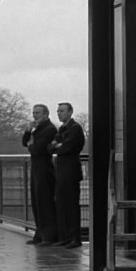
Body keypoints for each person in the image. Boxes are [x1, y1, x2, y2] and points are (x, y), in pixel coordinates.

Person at [21, 104, 58, 245]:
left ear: (46, 114)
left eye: (37, 113)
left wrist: (31, 144)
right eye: (33, 113)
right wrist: (28, 132)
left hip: (44, 168)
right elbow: (26, 143)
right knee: (36, 201)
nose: (34, 115)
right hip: (36, 167)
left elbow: (38, 149)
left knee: (45, 201)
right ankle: (40, 233)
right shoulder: (37, 129)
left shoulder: (49, 129)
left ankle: (48, 235)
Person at [50, 102, 86, 249]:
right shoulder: (63, 128)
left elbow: (67, 147)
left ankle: (74, 238)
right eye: (58, 111)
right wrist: (58, 145)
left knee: (71, 205)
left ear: (70, 112)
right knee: (62, 204)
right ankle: (65, 236)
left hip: (70, 171)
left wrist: (58, 145)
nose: (59, 113)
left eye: (62, 111)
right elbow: (50, 146)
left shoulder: (75, 128)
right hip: (61, 171)